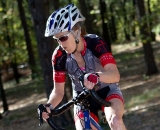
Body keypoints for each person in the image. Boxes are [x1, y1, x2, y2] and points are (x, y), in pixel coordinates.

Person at [42, 4, 127, 130]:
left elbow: (115, 75)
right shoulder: (59, 56)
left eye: (63, 38)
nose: (60, 44)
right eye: (57, 40)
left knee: (115, 121)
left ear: (76, 32)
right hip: (82, 100)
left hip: (108, 91)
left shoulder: (95, 43)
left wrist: (96, 76)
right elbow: (58, 92)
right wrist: (49, 106)